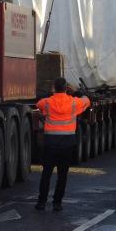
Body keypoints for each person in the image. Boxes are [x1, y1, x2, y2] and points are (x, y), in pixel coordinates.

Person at [35, 77, 90, 211]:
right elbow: (87, 100)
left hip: (50, 143)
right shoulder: (73, 103)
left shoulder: (48, 103)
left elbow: (39, 104)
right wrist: (77, 92)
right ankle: (57, 203)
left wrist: (50, 94)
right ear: (66, 88)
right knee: (62, 175)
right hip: (67, 144)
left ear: (54, 87)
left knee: (46, 173)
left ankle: (42, 202)